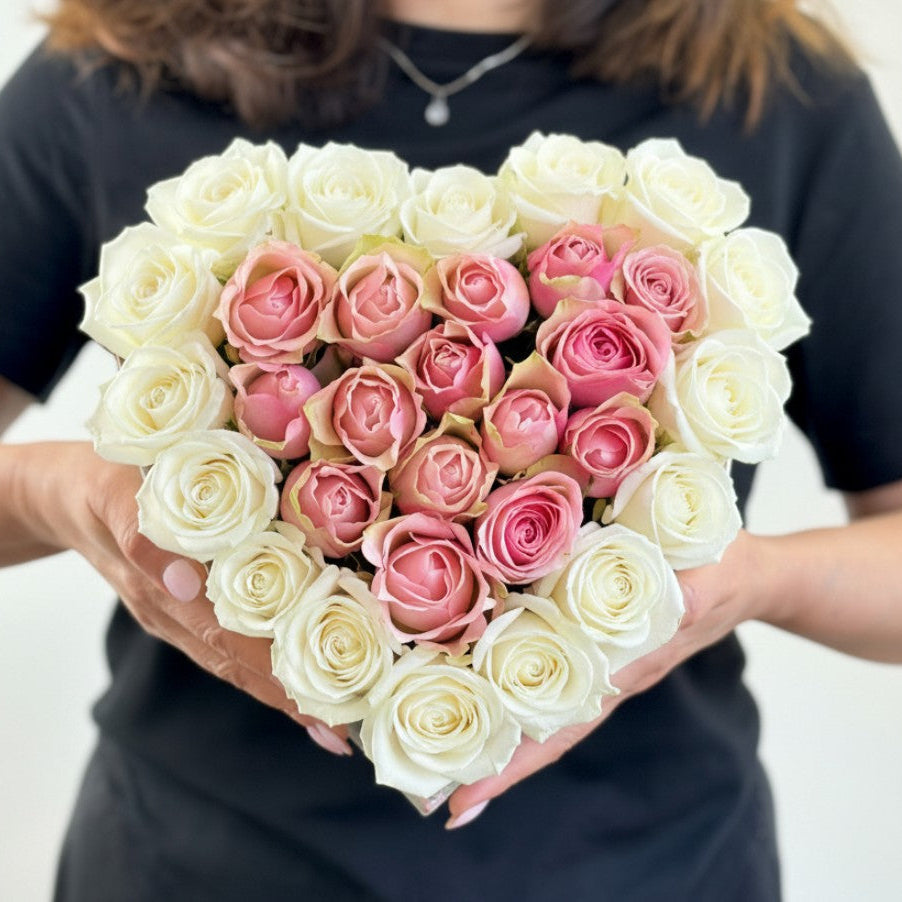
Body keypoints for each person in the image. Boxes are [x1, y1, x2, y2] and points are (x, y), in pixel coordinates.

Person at [1, 0, 901, 899]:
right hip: (195, 866)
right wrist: (60, 494)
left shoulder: (774, 88)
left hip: (650, 868)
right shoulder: (122, 62)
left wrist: (752, 580)